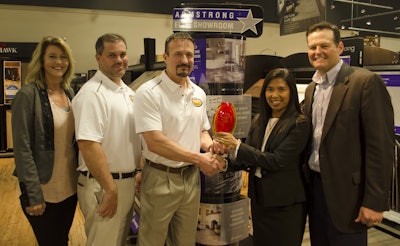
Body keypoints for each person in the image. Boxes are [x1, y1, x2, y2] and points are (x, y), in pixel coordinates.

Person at [303, 21, 394, 246]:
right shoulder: (312, 88)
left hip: (349, 196)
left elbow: (380, 147)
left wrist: (374, 202)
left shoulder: (365, 83)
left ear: (340, 48)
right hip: (315, 189)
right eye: (312, 47)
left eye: (324, 46)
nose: (317, 52)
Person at [133, 32, 225, 246]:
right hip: (160, 178)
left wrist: (212, 146)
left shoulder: (198, 93)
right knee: (152, 241)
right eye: (178, 54)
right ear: (164, 57)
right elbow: (155, 142)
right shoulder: (148, 93)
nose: (184, 60)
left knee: (185, 241)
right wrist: (200, 159)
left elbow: (202, 131)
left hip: (191, 178)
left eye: (189, 55)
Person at [214, 68, 310, 246]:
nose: (274, 95)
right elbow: (250, 159)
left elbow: (276, 161)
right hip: (260, 199)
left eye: (281, 89)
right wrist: (224, 162)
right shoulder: (259, 120)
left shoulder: (299, 123)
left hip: (285, 203)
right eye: (270, 89)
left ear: (291, 92)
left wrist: (238, 146)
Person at [72, 33, 141, 246]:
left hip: (125, 183)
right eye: (112, 55)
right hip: (104, 185)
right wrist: (110, 189)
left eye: (122, 54)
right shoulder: (92, 94)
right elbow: (88, 145)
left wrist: (136, 171)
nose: (119, 60)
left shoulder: (127, 92)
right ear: (98, 58)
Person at [12, 36, 78, 246]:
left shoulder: (69, 93)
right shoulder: (27, 95)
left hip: (69, 188)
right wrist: (33, 195)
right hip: (42, 189)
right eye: (52, 56)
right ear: (41, 61)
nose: (58, 62)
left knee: (62, 239)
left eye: (63, 57)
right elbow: (22, 150)